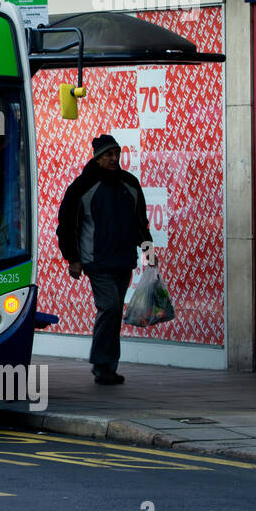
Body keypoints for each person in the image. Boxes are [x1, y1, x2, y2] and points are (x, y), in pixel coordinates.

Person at [57, 134, 153, 385]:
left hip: (123, 260)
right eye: (108, 155)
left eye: (116, 154)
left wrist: (147, 249)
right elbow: (66, 225)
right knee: (109, 307)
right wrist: (73, 259)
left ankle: (108, 366)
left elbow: (140, 221)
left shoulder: (129, 184)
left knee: (114, 311)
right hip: (95, 261)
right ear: (97, 157)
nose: (113, 159)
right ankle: (101, 363)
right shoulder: (82, 187)